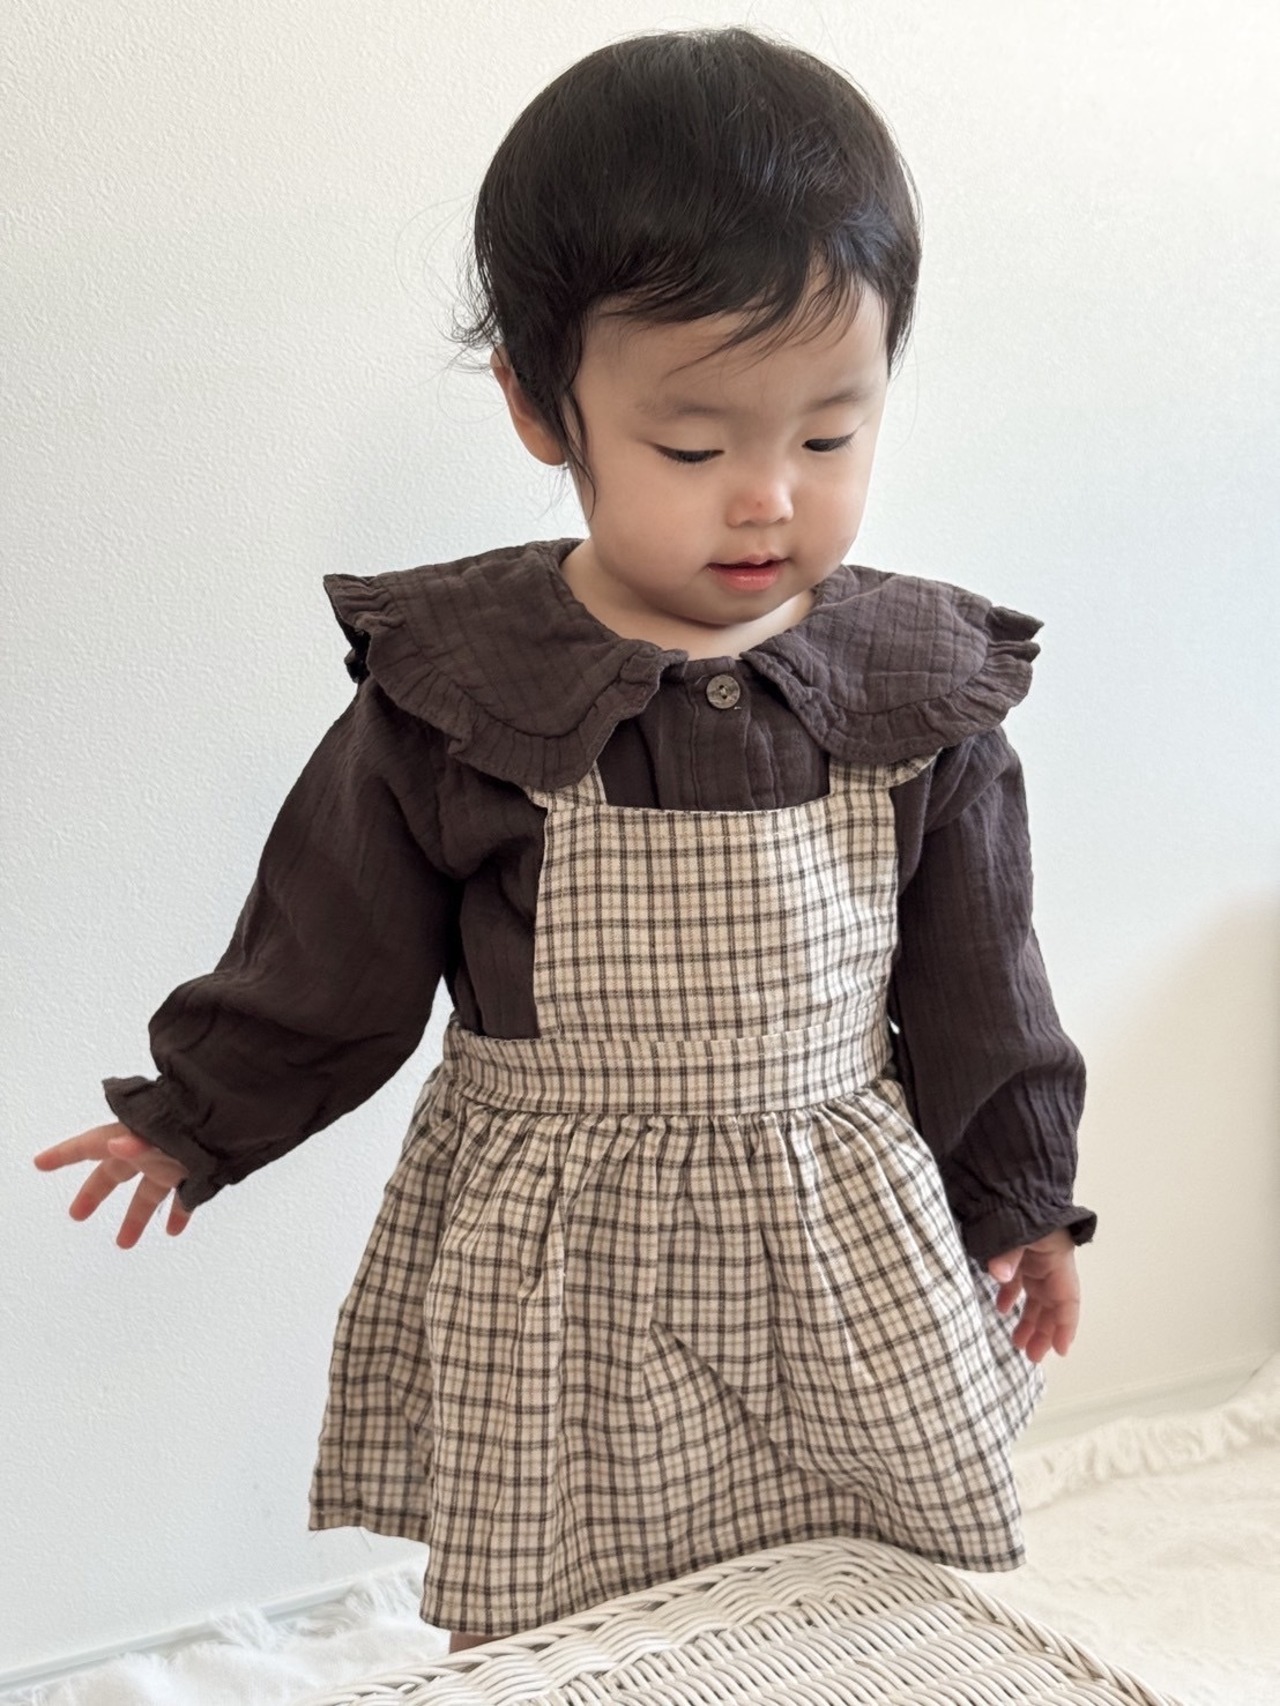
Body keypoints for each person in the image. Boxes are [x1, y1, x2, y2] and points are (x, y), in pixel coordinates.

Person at [34, 26, 1093, 1652]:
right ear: (543, 406)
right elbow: (332, 941)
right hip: (569, 1259)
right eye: (695, 447)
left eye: (829, 434)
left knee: (853, 1574)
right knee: (571, 1598)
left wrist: (1021, 1195)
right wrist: (198, 1112)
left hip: (840, 1229)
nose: (768, 497)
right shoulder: (463, 692)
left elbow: (981, 984)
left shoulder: (915, 692)